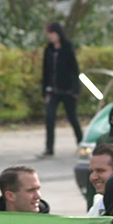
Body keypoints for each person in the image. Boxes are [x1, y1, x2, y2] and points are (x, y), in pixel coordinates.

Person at [39, 22, 83, 158]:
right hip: (53, 90)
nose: (51, 37)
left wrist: (76, 89)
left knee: (72, 117)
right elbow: (45, 71)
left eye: (53, 33)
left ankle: (82, 143)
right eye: (49, 34)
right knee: (50, 117)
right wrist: (44, 89)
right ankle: (49, 148)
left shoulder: (67, 48)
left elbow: (75, 69)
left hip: (68, 90)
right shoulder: (49, 50)